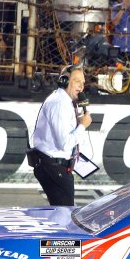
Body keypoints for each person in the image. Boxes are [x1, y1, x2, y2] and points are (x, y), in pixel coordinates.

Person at [30, 66, 92, 207]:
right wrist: (83, 125)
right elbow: (64, 144)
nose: (81, 86)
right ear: (64, 82)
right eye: (77, 81)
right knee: (64, 215)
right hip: (53, 167)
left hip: (54, 166)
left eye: (83, 82)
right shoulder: (59, 104)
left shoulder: (64, 101)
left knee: (62, 212)